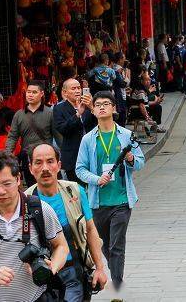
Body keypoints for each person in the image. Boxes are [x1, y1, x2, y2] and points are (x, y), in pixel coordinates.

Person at [0, 151, 69, 302]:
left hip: (37, 298)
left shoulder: (39, 209)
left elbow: (61, 246)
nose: (1, 191)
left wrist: (52, 267)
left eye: (7, 184)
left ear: (18, 179)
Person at [74, 91, 145, 290]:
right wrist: (96, 179)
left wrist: (131, 159)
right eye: (98, 105)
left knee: (117, 245)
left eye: (107, 104)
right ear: (94, 110)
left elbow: (140, 162)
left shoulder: (126, 135)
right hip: (98, 201)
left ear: (114, 109)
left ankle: (117, 284)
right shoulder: (88, 139)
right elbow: (80, 168)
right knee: (105, 244)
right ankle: (115, 274)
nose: (102, 107)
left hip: (122, 200)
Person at [26, 144, 108, 302]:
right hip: (42, 279)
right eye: (38, 163)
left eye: (50, 161)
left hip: (75, 271)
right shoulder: (25, 200)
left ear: (59, 165)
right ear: (30, 168)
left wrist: (99, 268)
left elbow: (90, 230)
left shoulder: (76, 191)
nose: (45, 168)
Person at [6, 81, 54, 184]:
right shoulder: (19, 115)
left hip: (46, 156)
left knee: (48, 186)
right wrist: (8, 154)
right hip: (27, 158)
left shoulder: (50, 113)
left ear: (41, 94)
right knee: (32, 187)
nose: (30, 95)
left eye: (34, 92)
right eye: (28, 92)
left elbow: (58, 136)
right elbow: (13, 136)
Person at [53, 79, 97, 183]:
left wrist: (92, 107)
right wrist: (77, 115)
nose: (77, 91)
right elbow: (63, 129)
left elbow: (99, 123)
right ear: (64, 92)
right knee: (76, 189)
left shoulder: (88, 105)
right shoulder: (59, 109)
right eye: (73, 88)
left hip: (91, 150)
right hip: (72, 154)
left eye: (78, 88)